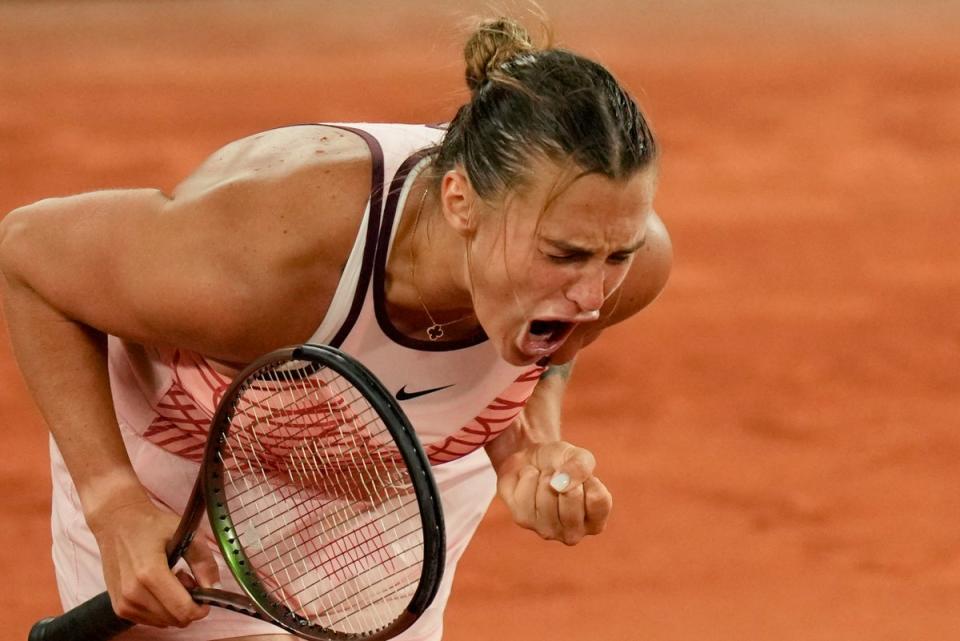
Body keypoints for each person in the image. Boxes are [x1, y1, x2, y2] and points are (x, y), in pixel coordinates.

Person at [0, 16, 671, 641]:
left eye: (615, 255)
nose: (592, 292)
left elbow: (547, 349)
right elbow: (28, 256)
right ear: (459, 201)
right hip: (192, 483)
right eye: (563, 255)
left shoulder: (622, 263)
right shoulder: (269, 256)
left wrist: (527, 444)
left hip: (393, 491)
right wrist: (111, 500)